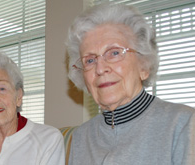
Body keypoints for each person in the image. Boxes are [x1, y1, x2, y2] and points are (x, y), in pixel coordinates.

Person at [66, 2, 195, 165]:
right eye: (90, 60)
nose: (100, 68)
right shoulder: (81, 137)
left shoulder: (185, 124)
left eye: (114, 53)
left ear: (144, 65)